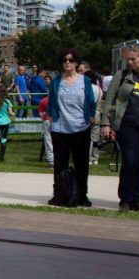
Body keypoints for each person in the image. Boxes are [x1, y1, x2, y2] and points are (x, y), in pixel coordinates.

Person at [101, 45, 139, 211]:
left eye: (133, 59)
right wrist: (105, 123)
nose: (130, 62)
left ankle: (137, 199)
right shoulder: (121, 76)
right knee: (130, 161)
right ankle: (125, 199)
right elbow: (109, 100)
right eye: (128, 59)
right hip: (128, 124)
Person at [47, 49, 97, 207]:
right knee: (59, 164)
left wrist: (91, 116)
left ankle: (82, 195)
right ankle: (59, 195)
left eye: (70, 60)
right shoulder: (56, 81)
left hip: (81, 127)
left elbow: (90, 101)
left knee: (81, 163)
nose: (67, 63)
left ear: (76, 63)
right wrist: (51, 118)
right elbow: (51, 101)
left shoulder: (85, 81)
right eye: (64, 60)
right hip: (60, 127)